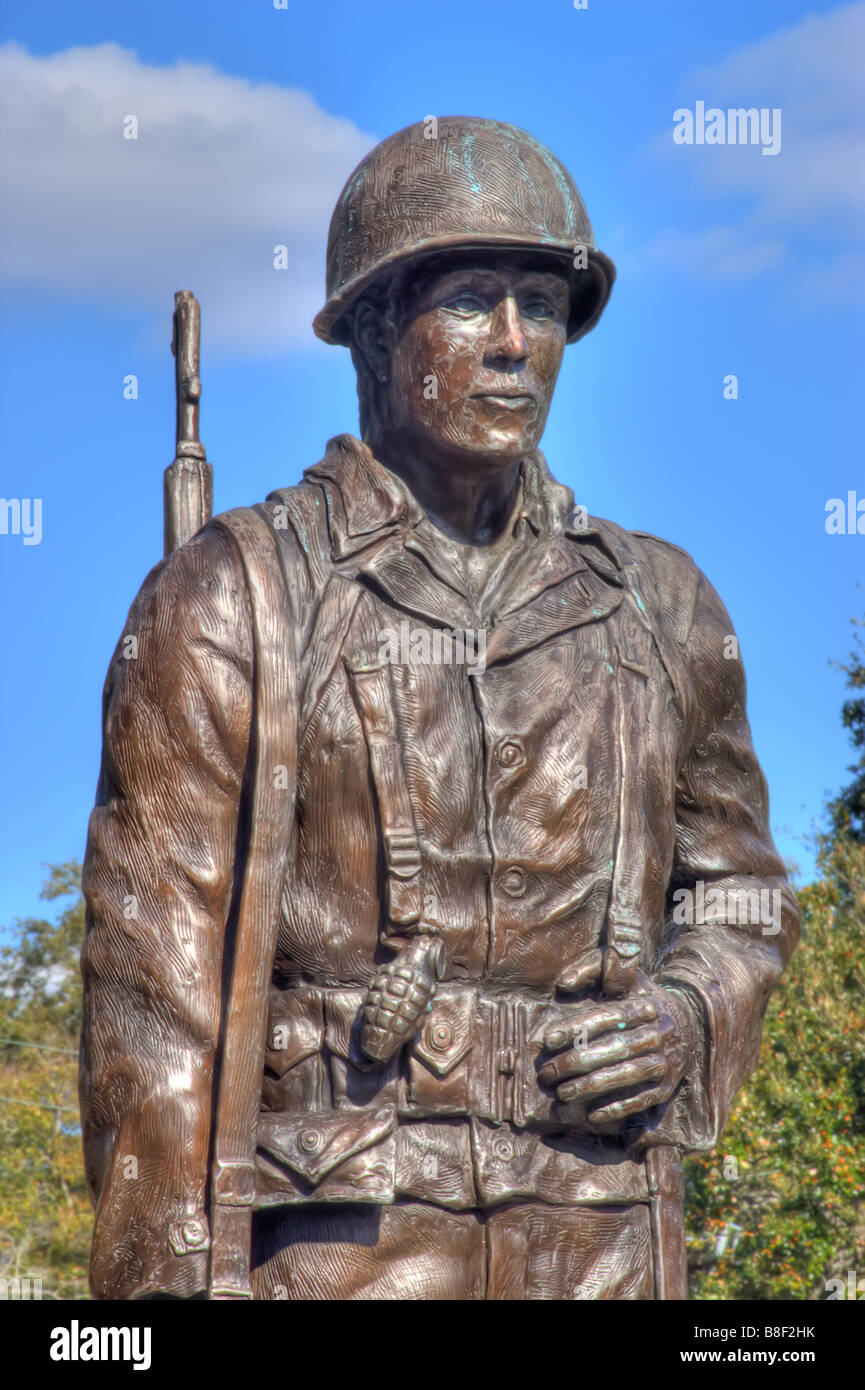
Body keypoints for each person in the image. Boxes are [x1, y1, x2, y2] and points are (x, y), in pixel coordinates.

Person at [80, 116, 799, 1300]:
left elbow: (740, 893)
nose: (515, 344)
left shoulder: (661, 607)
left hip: (604, 1243)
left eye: (544, 304)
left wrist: (684, 1015)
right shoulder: (233, 598)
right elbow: (155, 1017)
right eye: (471, 299)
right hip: (335, 1251)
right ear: (373, 327)